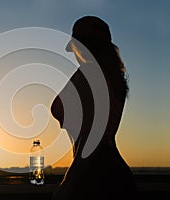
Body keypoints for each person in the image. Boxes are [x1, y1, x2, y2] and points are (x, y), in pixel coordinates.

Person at [50, 16, 137, 199]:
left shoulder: (89, 74)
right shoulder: (113, 77)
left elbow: (91, 139)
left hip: (95, 178)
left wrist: (68, 185)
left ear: (79, 46)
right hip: (111, 173)